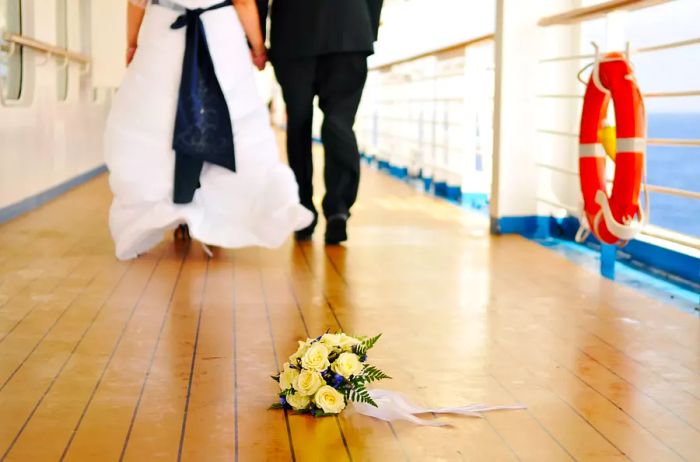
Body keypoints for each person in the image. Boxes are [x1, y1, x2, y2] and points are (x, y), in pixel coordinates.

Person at [107, 0, 313, 260]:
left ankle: (172, 208)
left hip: (164, 30)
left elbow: (136, 2)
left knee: (161, 122)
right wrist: (258, 47)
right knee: (229, 119)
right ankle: (220, 215)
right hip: (219, 31)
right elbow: (245, 2)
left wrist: (133, 42)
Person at [258, 0, 384, 244]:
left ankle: (303, 211)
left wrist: (257, 38)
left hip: (293, 32)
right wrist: (366, 27)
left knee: (298, 123)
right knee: (340, 120)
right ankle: (338, 208)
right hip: (350, 29)